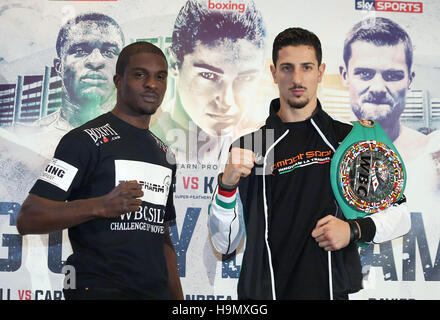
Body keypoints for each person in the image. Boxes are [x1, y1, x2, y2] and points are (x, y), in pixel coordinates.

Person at [208, 27, 411, 300]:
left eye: (306, 67)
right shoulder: (249, 146)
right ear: (274, 73)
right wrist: (227, 185)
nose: (297, 78)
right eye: (287, 68)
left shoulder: (347, 140)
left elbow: (400, 216)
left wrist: (353, 229)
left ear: (320, 71)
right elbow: (225, 243)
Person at [16, 42, 183, 300]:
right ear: (118, 81)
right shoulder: (83, 141)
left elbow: (162, 237)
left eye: (160, 77)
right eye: (140, 75)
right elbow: (29, 217)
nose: (152, 84)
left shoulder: (164, 154)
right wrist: (101, 206)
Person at [150, 0, 266, 164]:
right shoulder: (145, 141)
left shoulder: (257, 149)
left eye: (245, 78)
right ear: (174, 61)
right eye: (209, 75)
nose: (227, 102)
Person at [14, 12, 125, 159]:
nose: (96, 61)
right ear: (59, 67)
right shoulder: (25, 140)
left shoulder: (139, 140)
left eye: (110, 52)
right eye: (80, 51)